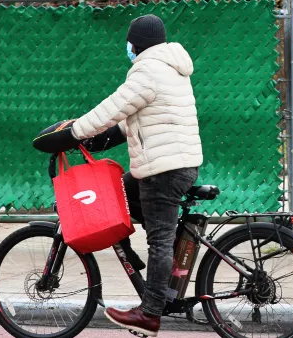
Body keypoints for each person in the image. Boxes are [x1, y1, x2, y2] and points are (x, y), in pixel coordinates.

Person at [32, 14, 203, 337]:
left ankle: (150, 313)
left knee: (160, 239)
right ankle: (142, 270)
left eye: (130, 43)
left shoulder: (148, 70)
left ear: (135, 44)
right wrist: (104, 138)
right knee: (115, 199)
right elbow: (138, 116)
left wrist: (74, 133)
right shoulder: (170, 67)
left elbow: (113, 107)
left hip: (163, 170)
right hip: (172, 164)